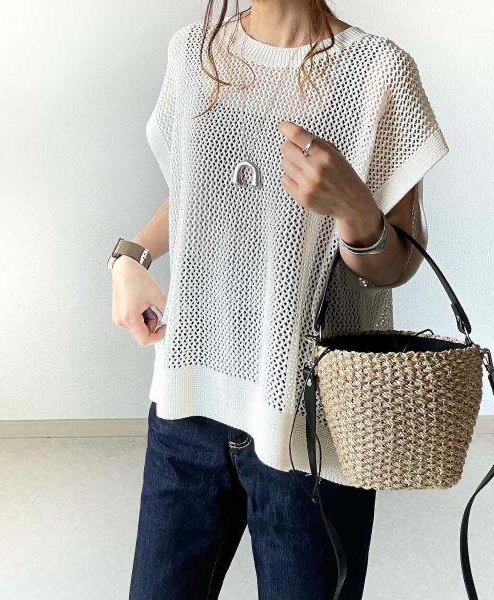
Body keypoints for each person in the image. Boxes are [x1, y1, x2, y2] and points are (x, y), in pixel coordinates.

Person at [109, 1, 449, 598]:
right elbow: (196, 192)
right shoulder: (194, 52)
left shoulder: (379, 71)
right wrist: (131, 256)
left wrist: (354, 210)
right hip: (188, 402)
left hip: (313, 427)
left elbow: (399, 264)